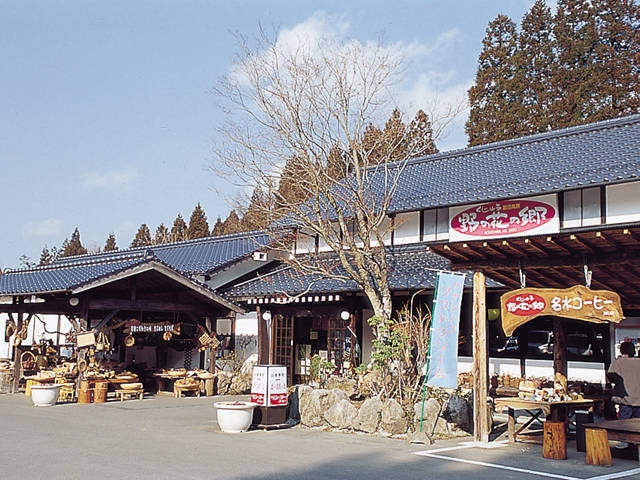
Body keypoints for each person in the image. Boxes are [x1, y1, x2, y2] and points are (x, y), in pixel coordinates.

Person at [607, 340, 640, 420]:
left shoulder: (618, 362)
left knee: (623, 425)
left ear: (622, 350)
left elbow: (611, 377)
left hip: (624, 399)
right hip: (638, 400)